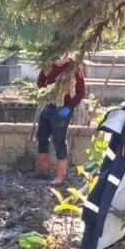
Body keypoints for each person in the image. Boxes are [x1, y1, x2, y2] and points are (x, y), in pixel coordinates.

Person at [35, 56, 86, 186]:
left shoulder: (73, 67)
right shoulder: (50, 64)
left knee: (59, 141)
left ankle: (60, 175)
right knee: (41, 136)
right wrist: (46, 91)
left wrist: (69, 107)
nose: (60, 59)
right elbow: (40, 82)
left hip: (63, 108)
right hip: (49, 105)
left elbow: (81, 92)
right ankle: (43, 169)